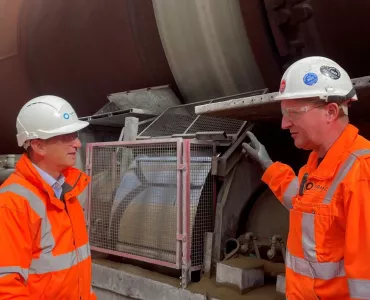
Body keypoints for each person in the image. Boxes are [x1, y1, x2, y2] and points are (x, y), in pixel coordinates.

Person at [242, 56, 370, 299]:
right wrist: (269, 166)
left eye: (292, 112)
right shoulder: (317, 161)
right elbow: (301, 201)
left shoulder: (362, 173)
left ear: (330, 112)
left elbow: (365, 279)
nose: (284, 123)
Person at [0, 95, 96, 299]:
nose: (78, 143)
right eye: (67, 136)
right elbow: (6, 289)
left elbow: (78, 275)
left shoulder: (68, 192)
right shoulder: (12, 204)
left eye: (75, 135)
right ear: (38, 146)